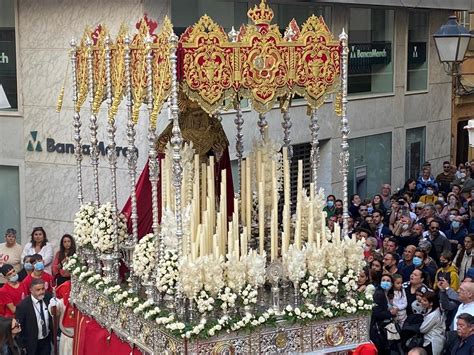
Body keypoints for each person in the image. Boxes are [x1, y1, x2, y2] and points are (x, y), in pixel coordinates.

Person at [16, 278, 52, 355]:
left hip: (46, 340)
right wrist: (22, 345)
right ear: (31, 290)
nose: (41, 292)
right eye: (38, 290)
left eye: (43, 289)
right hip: (31, 344)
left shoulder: (48, 297)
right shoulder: (23, 306)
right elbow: (19, 327)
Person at [370, 274, 396, 354]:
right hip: (378, 329)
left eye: (388, 281)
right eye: (383, 280)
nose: (385, 282)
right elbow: (377, 313)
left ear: (391, 284)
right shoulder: (379, 294)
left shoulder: (386, 294)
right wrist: (391, 313)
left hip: (385, 328)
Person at [48, 281, 75, 355]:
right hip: (66, 338)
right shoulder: (63, 301)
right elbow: (54, 311)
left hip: (80, 339)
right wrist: (53, 305)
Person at [418, 290, 445, 355]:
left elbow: (422, 329)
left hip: (432, 341)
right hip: (431, 339)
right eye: (422, 299)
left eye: (425, 300)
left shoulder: (434, 315)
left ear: (431, 303)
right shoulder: (432, 309)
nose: (421, 302)